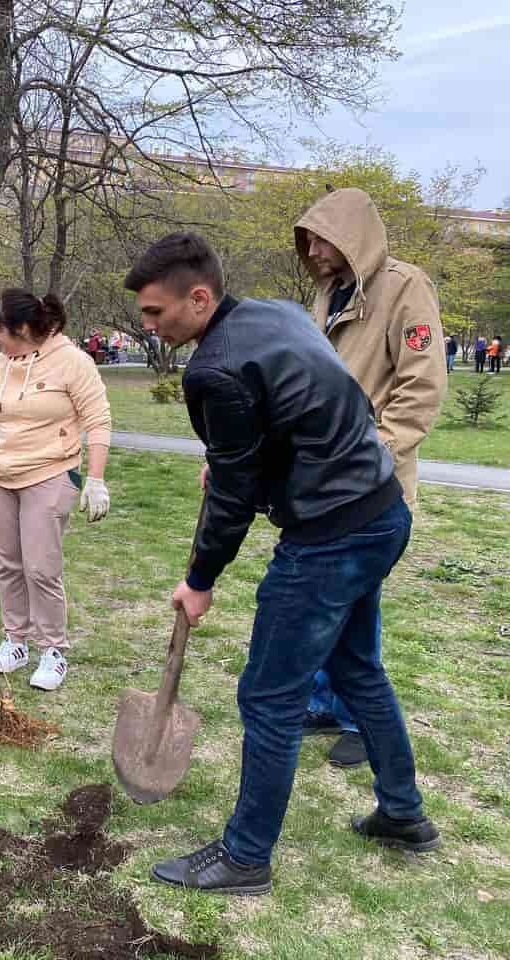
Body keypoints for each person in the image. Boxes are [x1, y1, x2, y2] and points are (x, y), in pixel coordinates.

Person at [125, 232, 439, 896]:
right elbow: (312, 407)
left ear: (199, 297)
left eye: (155, 313)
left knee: (269, 697)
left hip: (329, 538)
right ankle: (404, 814)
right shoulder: (277, 313)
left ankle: (245, 855)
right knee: (357, 668)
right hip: (384, 510)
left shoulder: (214, 370)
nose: (145, 325)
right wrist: (242, 458)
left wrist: (200, 581)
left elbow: (233, 499)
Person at [295, 188, 447, 768]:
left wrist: (373, 456)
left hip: (372, 485)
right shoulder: (328, 294)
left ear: (353, 236)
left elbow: (421, 389)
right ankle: (327, 701)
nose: (311, 248)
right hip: (325, 479)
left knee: (354, 594)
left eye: (320, 236)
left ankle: (360, 715)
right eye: (306, 237)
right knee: (339, 595)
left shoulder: (405, 289)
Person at [0, 290, 112, 692]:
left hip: (49, 474)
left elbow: (98, 421)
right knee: (7, 563)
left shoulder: (72, 362)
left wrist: (96, 480)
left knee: (40, 567)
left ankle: (53, 649)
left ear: (26, 328)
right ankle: (16, 640)